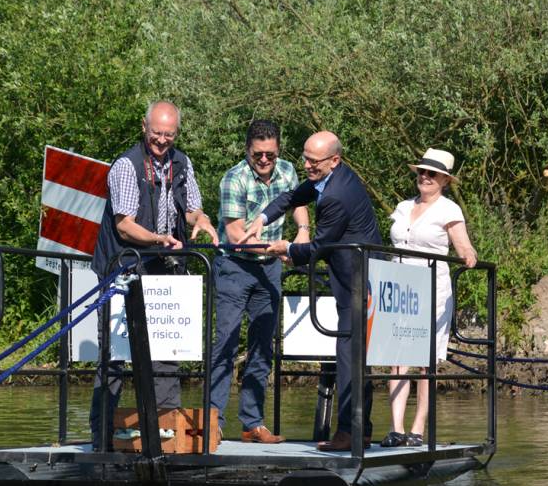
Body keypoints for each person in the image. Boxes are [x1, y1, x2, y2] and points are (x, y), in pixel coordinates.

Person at [88, 100, 219, 448]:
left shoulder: (182, 162)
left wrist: (202, 220)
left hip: (165, 266)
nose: (162, 141)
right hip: (124, 265)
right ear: (144, 129)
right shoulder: (126, 166)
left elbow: (192, 209)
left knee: (167, 346)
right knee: (115, 353)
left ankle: (165, 430)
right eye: (157, 134)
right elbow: (126, 226)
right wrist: (159, 239)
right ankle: (101, 434)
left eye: (169, 135)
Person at [243, 131, 381, 452]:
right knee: (355, 357)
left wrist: (287, 248)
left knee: (349, 357)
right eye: (304, 157)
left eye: (313, 161)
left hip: (358, 282)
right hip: (356, 278)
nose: (306, 165)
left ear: (335, 160)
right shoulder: (328, 179)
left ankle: (349, 433)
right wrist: (261, 219)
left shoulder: (336, 195)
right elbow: (293, 196)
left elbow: (320, 246)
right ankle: (362, 430)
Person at [210, 120, 310, 444]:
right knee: (225, 342)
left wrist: (303, 233)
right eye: (258, 155)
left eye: (270, 154)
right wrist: (278, 247)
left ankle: (252, 422)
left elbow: (297, 204)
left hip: (269, 269)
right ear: (247, 150)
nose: (264, 160)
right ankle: (213, 419)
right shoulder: (234, 179)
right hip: (235, 266)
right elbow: (237, 235)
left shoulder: (288, 171)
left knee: (263, 347)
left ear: (278, 149)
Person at [380, 148, 477, 448]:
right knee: (396, 360)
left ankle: (417, 429)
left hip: (431, 290)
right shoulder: (402, 206)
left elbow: (465, 249)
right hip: (399, 290)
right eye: (422, 171)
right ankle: (396, 429)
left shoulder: (449, 210)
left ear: (444, 180)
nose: (425, 176)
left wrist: (467, 255)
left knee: (425, 362)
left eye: (431, 173)